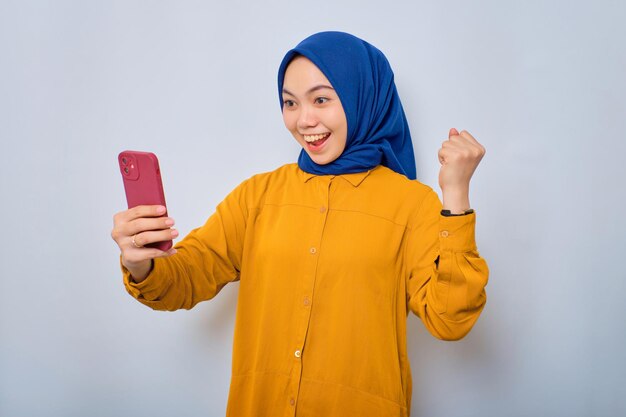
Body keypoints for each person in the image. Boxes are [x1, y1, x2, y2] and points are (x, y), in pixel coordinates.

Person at [111, 31, 488, 417]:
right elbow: (184, 279)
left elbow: (450, 318)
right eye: (290, 102)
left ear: (364, 97)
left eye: (321, 99)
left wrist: (455, 195)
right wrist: (142, 263)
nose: (304, 120)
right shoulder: (257, 196)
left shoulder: (411, 204)